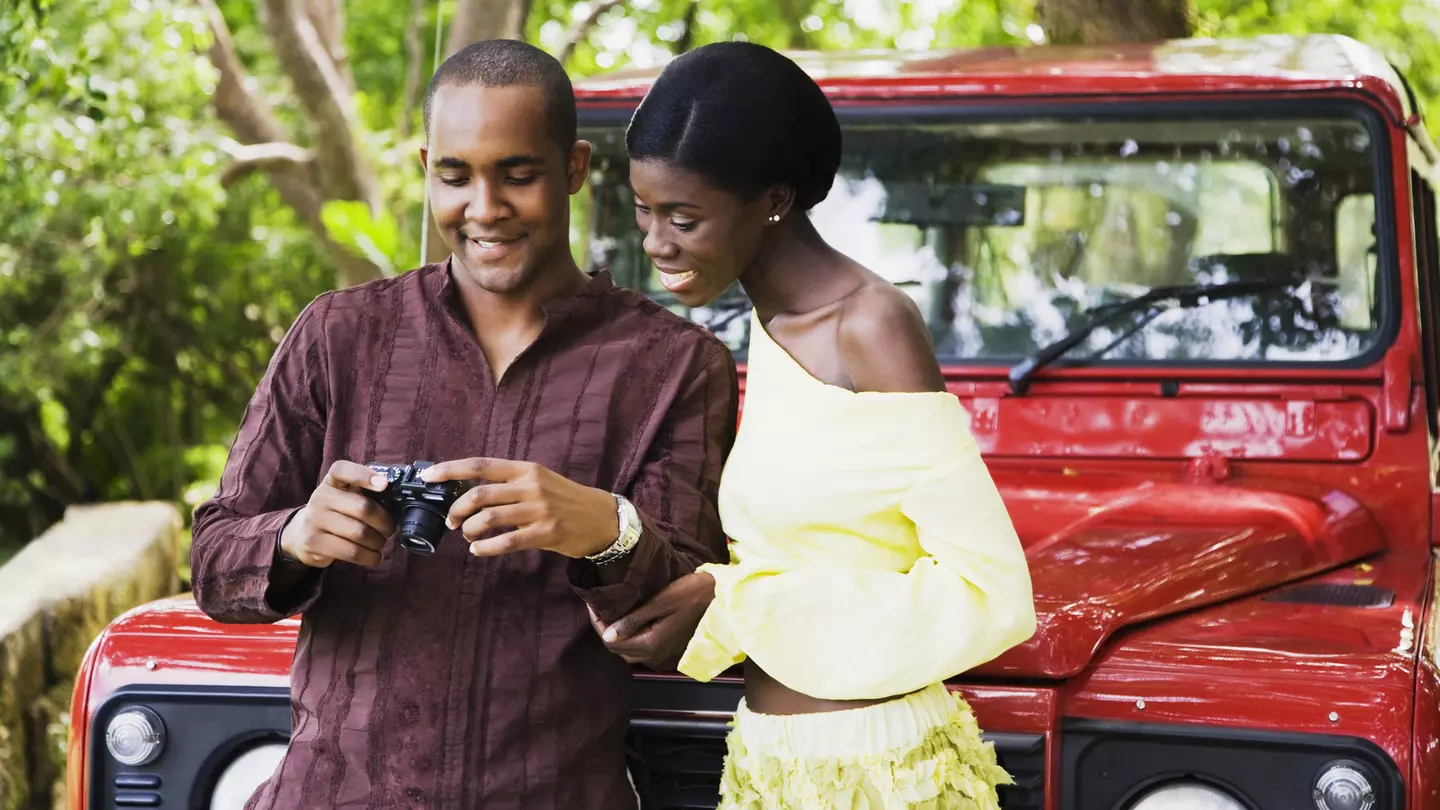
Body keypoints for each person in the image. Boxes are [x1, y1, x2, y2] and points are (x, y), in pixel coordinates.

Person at [189, 39, 737, 810]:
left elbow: (686, 628)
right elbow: (213, 563)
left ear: (575, 168)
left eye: (517, 174)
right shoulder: (338, 335)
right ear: (427, 170)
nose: (484, 207)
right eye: (455, 176)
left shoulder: (676, 366)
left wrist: (605, 529)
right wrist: (294, 537)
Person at [588, 42, 1036, 809]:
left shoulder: (870, 327)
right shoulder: (764, 325)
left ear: (772, 201)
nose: (656, 243)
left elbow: (992, 594)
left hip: (882, 772)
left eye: (684, 218)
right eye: (644, 211)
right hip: (768, 761)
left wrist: (736, 602)